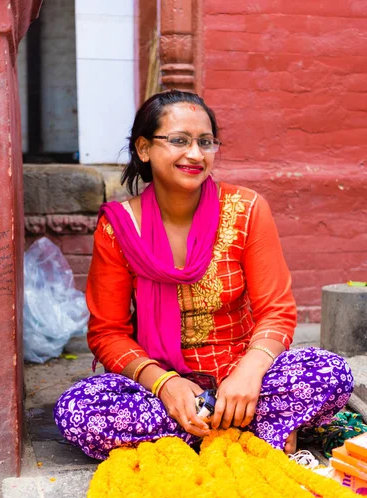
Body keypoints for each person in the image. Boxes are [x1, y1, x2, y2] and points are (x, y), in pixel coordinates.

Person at [54, 90, 353, 461]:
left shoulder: (246, 209)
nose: (195, 154)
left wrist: (248, 375)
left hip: (246, 382)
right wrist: (164, 384)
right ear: (144, 148)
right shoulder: (119, 228)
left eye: (206, 142)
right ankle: (254, 428)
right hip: (165, 389)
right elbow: (107, 332)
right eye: (179, 140)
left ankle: (199, 433)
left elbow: (276, 312)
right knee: (79, 409)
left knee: (329, 372)